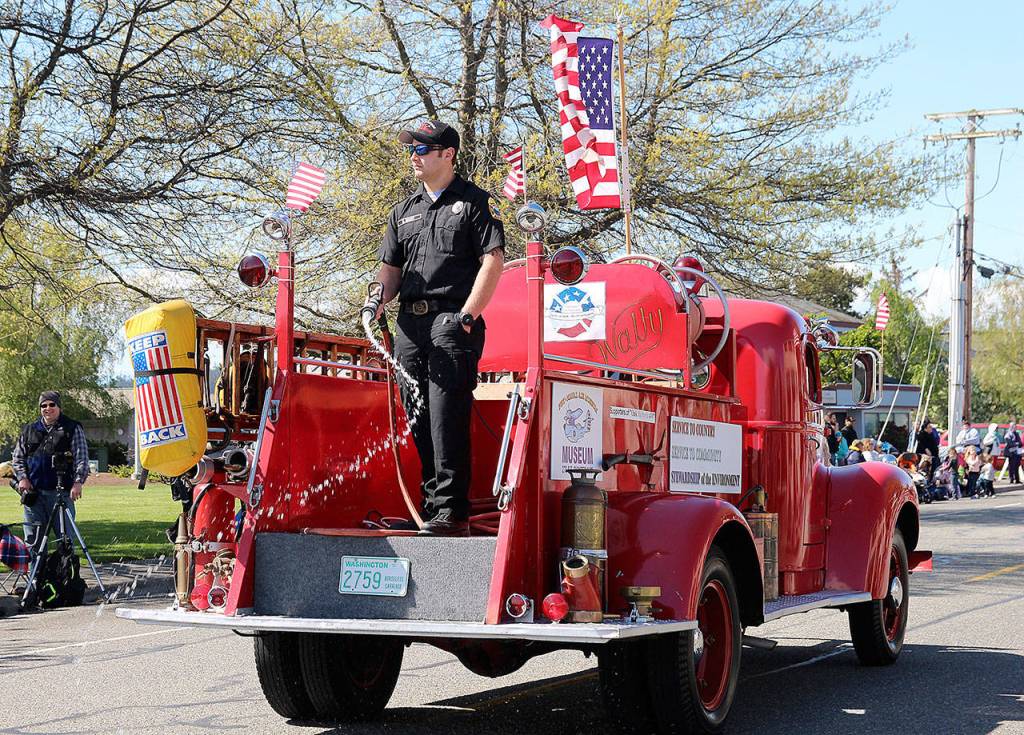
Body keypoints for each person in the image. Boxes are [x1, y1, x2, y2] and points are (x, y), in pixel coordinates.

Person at [367, 120, 505, 536]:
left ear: (448, 154)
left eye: (423, 149)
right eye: (412, 149)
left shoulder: (475, 203)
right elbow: (389, 270)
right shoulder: (402, 211)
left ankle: (452, 513)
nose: (414, 156)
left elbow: (493, 261)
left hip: (451, 322)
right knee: (418, 417)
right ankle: (431, 508)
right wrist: (374, 301)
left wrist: (467, 316)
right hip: (409, 324)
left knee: (446, 418)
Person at [11, 391, 90, 552]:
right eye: (43, 405)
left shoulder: (72, 428)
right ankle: (36, 577)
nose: (48, 408)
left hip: (61, 494)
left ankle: (65, 576)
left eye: (52, 404)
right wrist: (22, 479)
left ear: (59, 406)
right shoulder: (29, 429)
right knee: (33, 542)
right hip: (34, 496)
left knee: (65, 540)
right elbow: (18, 458)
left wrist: (78, 482)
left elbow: (81, 458)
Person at [915, 418, 940, 484]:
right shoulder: (922, 435)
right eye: (929, 427)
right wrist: (926, 449)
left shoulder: (931, 434)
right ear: (925, 429)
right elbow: (922, 444)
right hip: (927, 458)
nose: (931, 428)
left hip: (934, 456)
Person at [1002, 419, 1022, 485]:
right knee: (1011, 466)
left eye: (1015, 426)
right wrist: (1016, 443)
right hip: (1011, 452)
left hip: (1017, 452)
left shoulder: (1016, 433)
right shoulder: (1008, 434)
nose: (1014, 428)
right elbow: (1010, 443)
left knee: (1017, 466)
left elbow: (1020, 443)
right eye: (1013, 426)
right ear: (1010, 427)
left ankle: (1017, 479)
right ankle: (1011, 479)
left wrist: (1016, 443)